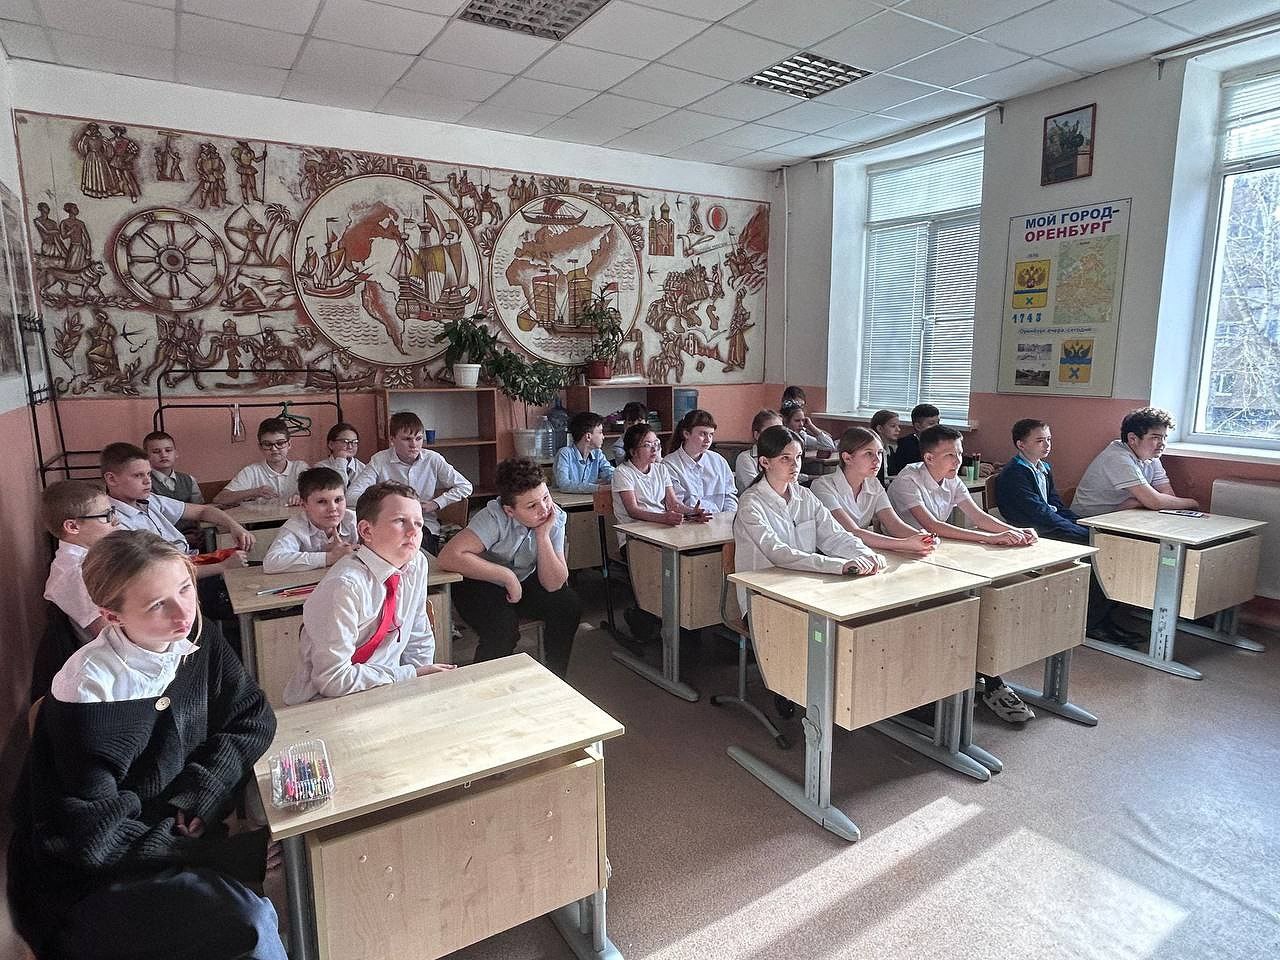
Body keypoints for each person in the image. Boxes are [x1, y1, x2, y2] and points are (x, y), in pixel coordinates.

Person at [8, 530, 284, 960]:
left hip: (168, 836)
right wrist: (217, 855)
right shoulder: (88, 691)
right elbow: (94, 839)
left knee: (282, 877)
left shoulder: (194, 638)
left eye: (185, 588)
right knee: (250, 923)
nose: (183, 612)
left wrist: (200, 794)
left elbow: (252, 717)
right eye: (158, 604)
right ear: (111, 615)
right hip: (88, 877)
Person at [887, 424, 1039, 723]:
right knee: (951, 615)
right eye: (950, 455)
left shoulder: (952, 479)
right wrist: (990, 538)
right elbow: (933, 526)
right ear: (929, 458)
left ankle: (987, 679)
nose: (958, 461)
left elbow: (977, 516)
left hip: (934, 556)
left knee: (983, 603)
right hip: (902, 561)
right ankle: (946, 688)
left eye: (959, 453)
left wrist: (1014, 531)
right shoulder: (908, 480)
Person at [283, 482, 455, 704]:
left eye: (419, 524)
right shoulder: (345, 586)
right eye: (400, 521)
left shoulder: (416, 564)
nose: (413, 532)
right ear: (366, 531)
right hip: (326, 702)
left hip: (388, 688)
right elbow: (333, 680)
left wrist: (419, 688)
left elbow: (417, 634)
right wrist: (409, 674)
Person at [994, 418, 1142, 646]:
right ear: (1021, 444)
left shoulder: (1043, 468)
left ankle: (1105, 617)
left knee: (1103, 540)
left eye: (1049, 439)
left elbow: (1056, 505)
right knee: (1094, 551)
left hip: (1050, 525)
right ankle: (1092, 622)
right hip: (1033, 531)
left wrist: (1080, 523)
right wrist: (1077, 531)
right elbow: (1039, 513)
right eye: (1040, 441)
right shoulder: (1015, 473)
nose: (1047, 445)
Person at [439, 458, 582, 679]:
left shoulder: (554, 516)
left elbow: (554, 584)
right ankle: (483, 687)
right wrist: (506, 576)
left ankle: (555, 677)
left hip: (524, 579)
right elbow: (449, 557)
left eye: (545, 498)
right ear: (510, 510)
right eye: (532, 506)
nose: (544, 509)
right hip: (480, 582)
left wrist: (543, 536)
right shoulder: (493, 517)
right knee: (503, 630)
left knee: (567, 605)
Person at [733, 424, 883, 615]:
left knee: (861, 608)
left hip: (805, 589)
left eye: (798, 457)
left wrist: (864, 554)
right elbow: (778, 553)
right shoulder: (751, 503)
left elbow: (835, 535)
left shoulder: (805, 495)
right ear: (765, 462)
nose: (795, 465)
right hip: (762, 598)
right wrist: (840, 565)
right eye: (785, 458)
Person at [347, 411, 472, 555]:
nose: (414, 445)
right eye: (407, 439)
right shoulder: (380, 460)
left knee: (415, 551)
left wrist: (437, 503)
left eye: (418, 439)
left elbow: (465, 486)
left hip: (424, 525)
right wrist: (388, 503)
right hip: (390, 525)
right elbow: (351, 496)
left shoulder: (432, 459)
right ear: (392, 439)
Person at [811, 427, 937, 558]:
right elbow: (852, 531)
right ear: (847, 458)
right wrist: (905, 544)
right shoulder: (822, 486)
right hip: (827, 556)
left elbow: (893, 524)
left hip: (861, 552)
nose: (877, 460)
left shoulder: (874, 484)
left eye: (880, 453)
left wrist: (923, 537)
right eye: (868, 453)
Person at [1071, 406, 1199, 518]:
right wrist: (1193, 503)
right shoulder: (1118, 458)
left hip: (1121, 516)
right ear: (1132, 439)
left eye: (1164, 437)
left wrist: (1139, 502)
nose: (1162, 443)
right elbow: (1156, 502)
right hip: (1088, 522)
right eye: (1155, 437)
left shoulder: (1151, 456)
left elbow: (1168, 496)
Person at [42, 479, 117, 643]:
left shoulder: (95, 555)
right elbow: (110, 636)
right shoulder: (74, 574)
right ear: (72, 527)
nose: (115, 521)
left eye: (113, 512)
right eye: (106, 515)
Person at [261, 467, 358, 574]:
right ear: (304, 505)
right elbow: (271, 562)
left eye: (338, 500)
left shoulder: (355, 520)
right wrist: (330, 557)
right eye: (322, 501)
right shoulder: (296, 526)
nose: (332, 508)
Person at [214, 417, 309, 507]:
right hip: (261, 519)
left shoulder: (300, 468)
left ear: (289, 444)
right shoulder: (251, 471)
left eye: (280, 443)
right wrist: (254, 492)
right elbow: (219, 498)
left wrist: (302, 497)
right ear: (260, 447)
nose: (274, 449)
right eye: (267, 444)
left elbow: (315, 495)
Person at [664, 409, 737, 514]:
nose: (708, 440)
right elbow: (675, 505)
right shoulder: (670, 464)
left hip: (721, 519)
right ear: (686, 434)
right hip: (688, 520)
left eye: (711, 435)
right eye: (703, 434)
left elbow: (730, 496)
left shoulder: (719, 461)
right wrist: (695, 515)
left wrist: (727, 517)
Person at [553, 411, 614, 494]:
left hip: (589, 500)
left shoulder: (598, 453)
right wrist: (599, 488)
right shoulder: (565, 453)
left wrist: (619, 480)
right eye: (600, 432)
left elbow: (610, 473)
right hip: (565, 501)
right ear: (588, 436)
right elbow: (564, 484)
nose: (603, 437)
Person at [143, 430, 204, 505]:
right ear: (145, 455)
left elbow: (200, 507)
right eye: (156, 451)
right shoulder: (144, 481)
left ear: (176, 453)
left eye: (168, 450)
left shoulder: (189, 480)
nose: (164, 455)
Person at [735, 409, 782, 493]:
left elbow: (793, 486)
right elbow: (757, 489)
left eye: (781, 432)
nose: (777, 437)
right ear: (757, 435)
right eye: (771, 432)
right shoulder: (745, 458)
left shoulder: (784, 456)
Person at [887, 403, 940, 475]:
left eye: (938, 422)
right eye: (931, 424)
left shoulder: (941, 442)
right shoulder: (905, 445)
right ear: (918, 426)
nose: (937, 427)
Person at [312, 422, 366, 486]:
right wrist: (341, 461)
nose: (350, 446)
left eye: (354, 442)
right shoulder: (320, 468)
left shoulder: (362, 468)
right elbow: (337, 487)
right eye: (345, 441)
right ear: (331, 444)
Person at [869, 410, 900, 486]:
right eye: (893, 426)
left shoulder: (890, 450)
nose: (898, 429)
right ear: (880, 428)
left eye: (898, 426)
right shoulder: (872, 452)